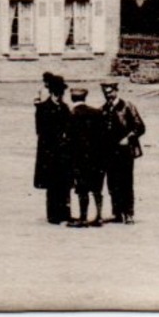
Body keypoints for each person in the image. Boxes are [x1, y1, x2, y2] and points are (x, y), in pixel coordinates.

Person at [100, 81, 145, 223]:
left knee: (126, 182)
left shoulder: (127, 107)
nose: (108, 96)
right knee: (112, 183)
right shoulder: (103, 109)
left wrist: (129, 138)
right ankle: (117, 212)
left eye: (110, 92)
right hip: (109, 151)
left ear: (116, 91)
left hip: (125, 151)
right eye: (106, 93)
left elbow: (140, 127)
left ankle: (128, 213)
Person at [33, 72, 73, 224]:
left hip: (64, 153)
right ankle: (53, 215)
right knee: (52, 185)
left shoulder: (65, 108)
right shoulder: (43, 109)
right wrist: (58, 137)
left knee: (65, 184)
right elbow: (41, 131)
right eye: (56, 94)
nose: (59, 96)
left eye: (60, 94)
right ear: (51, 93)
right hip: (50, 153)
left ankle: (65, 213)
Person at [66, 87, 105, 226]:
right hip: (97, 158)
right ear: (85, 98)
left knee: (82, 190)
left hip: (79, 159)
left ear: (72, 98)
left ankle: (83, 218)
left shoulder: (71, 115)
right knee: (96, 189)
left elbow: (69, 140)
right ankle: (99, 217)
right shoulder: (97, 112)